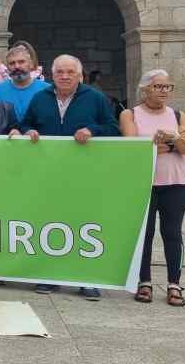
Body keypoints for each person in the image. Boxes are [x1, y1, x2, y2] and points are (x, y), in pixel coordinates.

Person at [17, 54, 119, 300]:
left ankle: (86, 279)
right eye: (60, 72)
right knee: (48, 224)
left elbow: (113, 128)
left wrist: (92, 130)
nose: (64, 76)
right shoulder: (40, 98)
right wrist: (28, 130)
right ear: (52, 75)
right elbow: (24, 124)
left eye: (70, 72)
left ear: (80, 75)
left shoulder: (95, 98)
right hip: (47, 175)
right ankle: (49, 276)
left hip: (83, 176)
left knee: (82, 225)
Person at [119, 69, 185, 307]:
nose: (163, 91)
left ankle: (174, 284)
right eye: (158, 86)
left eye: (167, 87)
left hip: (176, 183)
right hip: (145, 183)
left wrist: (172, 140)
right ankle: (145, 281)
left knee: (172, 233)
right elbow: (134, 148)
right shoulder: (130, 114)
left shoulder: (178, 115)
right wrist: (170, 143)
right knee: (145, 233)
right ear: (145, 89)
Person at [0, 45, 51, 124]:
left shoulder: (47, 90)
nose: (17, 66)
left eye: (21, 62)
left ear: (31, 65)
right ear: (7, 67)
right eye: (12, 63)